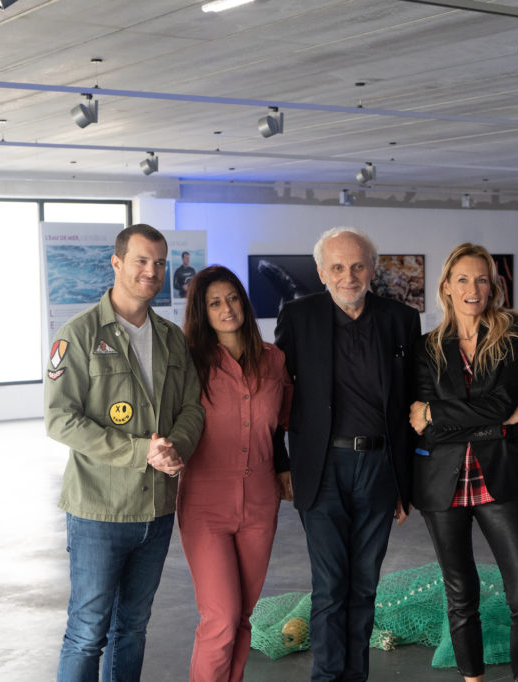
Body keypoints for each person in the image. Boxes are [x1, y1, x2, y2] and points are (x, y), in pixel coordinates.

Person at [45, 223, 205, 682]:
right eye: (141, 260)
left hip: (156, 510)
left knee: (132, 629)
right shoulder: (76, 336)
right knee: (87, 631)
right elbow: (60, 418)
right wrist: (142, 452)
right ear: (116, 263)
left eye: (159, 263)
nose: (151, 271)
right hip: (99, 509)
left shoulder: (172, 338)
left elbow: (193, 406)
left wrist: (177, 450)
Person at [274, 226, 421, 682]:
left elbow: (413, 400)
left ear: (373, 269)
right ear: (321, 272)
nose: (349, 275)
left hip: (380, 468)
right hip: (322, 469)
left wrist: (406, 483)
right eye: (337, 267)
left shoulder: (400, 318)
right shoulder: (298, 317)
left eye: (358, 265)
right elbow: (275, 398)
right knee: (331, 587)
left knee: (364, 586)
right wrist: (281, 464)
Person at [409, 242, 518, 682]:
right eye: (463, 279)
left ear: (494, 285)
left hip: (499, 479)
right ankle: (473, 679)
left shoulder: (514, 331)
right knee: (460, 593)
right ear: (446, 287)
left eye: (482, 279)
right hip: (440, 484)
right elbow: (433, 427)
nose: (474, 288)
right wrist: (500, 421)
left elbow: (500, 401)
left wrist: (437, 412)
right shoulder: (428, 347)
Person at [178, 265, 293, 682]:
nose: (226, 308)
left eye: (232, 298)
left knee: (243, 615)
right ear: (201, 312)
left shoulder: (275, 360)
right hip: (205, 505)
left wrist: (283, 468)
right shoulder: (188, 363)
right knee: (220, 618)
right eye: (214, 303)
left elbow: (279, 424)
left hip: (261, 503)